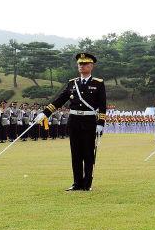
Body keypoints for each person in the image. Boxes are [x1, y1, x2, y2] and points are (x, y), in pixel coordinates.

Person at [33, 53, 106, 191]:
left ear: (91, 66)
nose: (81, 66)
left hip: (89, 121)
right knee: (76, 153)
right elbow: (60, 100)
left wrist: (100, 123)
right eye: (79, 64)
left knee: (88, 153)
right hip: (74, 121)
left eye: (84, 64)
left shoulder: (98, 83)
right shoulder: (73, 83)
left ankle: (87, 184)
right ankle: (77, 183)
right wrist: (45, 112)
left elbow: (102, 104)